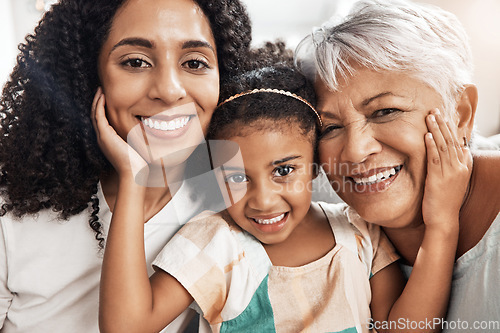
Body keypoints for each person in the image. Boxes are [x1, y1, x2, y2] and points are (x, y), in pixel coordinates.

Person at [97, 63, 471, 333]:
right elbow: (126, 326)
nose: (263, 200)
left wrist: (442, 225)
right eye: (237, 177)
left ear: (314, 167)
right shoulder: (215, 243)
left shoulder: (358, 231)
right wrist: (134, 179)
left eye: (283, 171)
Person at [0, 0, 252, 332]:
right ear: (89, 76)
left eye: (194, 62)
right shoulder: (13, 214)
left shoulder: (233, 205)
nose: (169, 90)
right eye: (135, 62)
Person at [295, 0, 500, 331]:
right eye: (329, 128)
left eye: (385, 111)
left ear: (460, 114)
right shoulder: (326, 231)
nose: (356, 151)